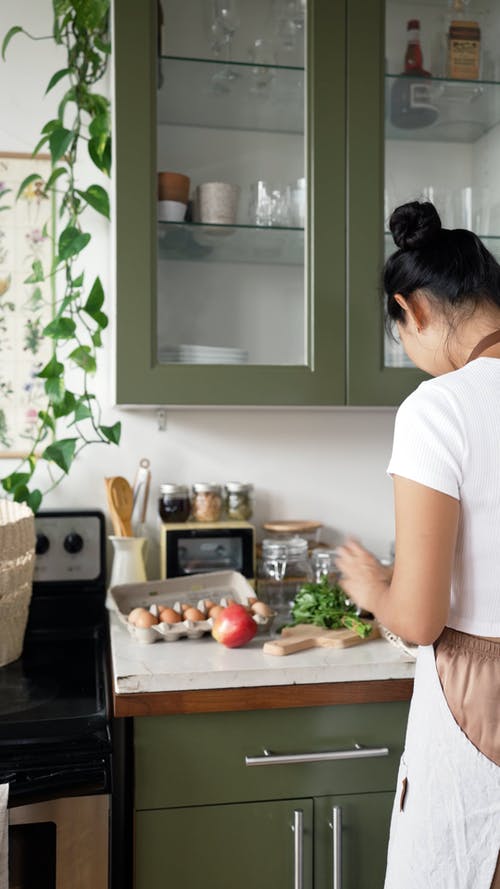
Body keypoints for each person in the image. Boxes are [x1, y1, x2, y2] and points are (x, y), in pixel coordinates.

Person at [335, 201, 500, 889]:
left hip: (479, 694)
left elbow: (420, 618)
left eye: (400, 333)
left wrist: (373, 586)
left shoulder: (439, 408)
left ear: (414, 309)